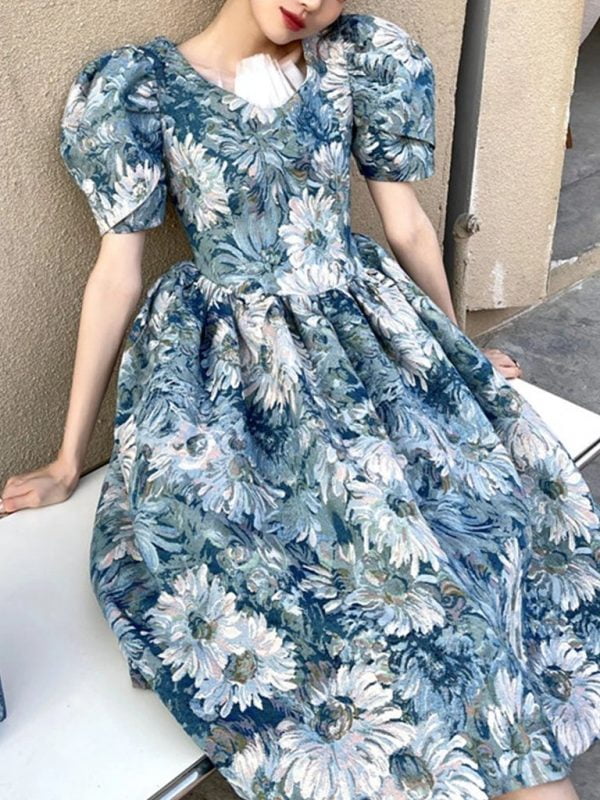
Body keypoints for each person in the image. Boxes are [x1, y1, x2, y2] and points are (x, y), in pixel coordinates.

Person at [2, 1, 599, 798]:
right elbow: (116, 276)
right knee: (281, 568)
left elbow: (407, 226)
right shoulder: (140, 88)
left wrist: (453, 348)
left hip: (362, 338)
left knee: (463, 531)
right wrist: (66, 457)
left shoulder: (357, 61)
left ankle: (506, 749)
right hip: (231, 378)